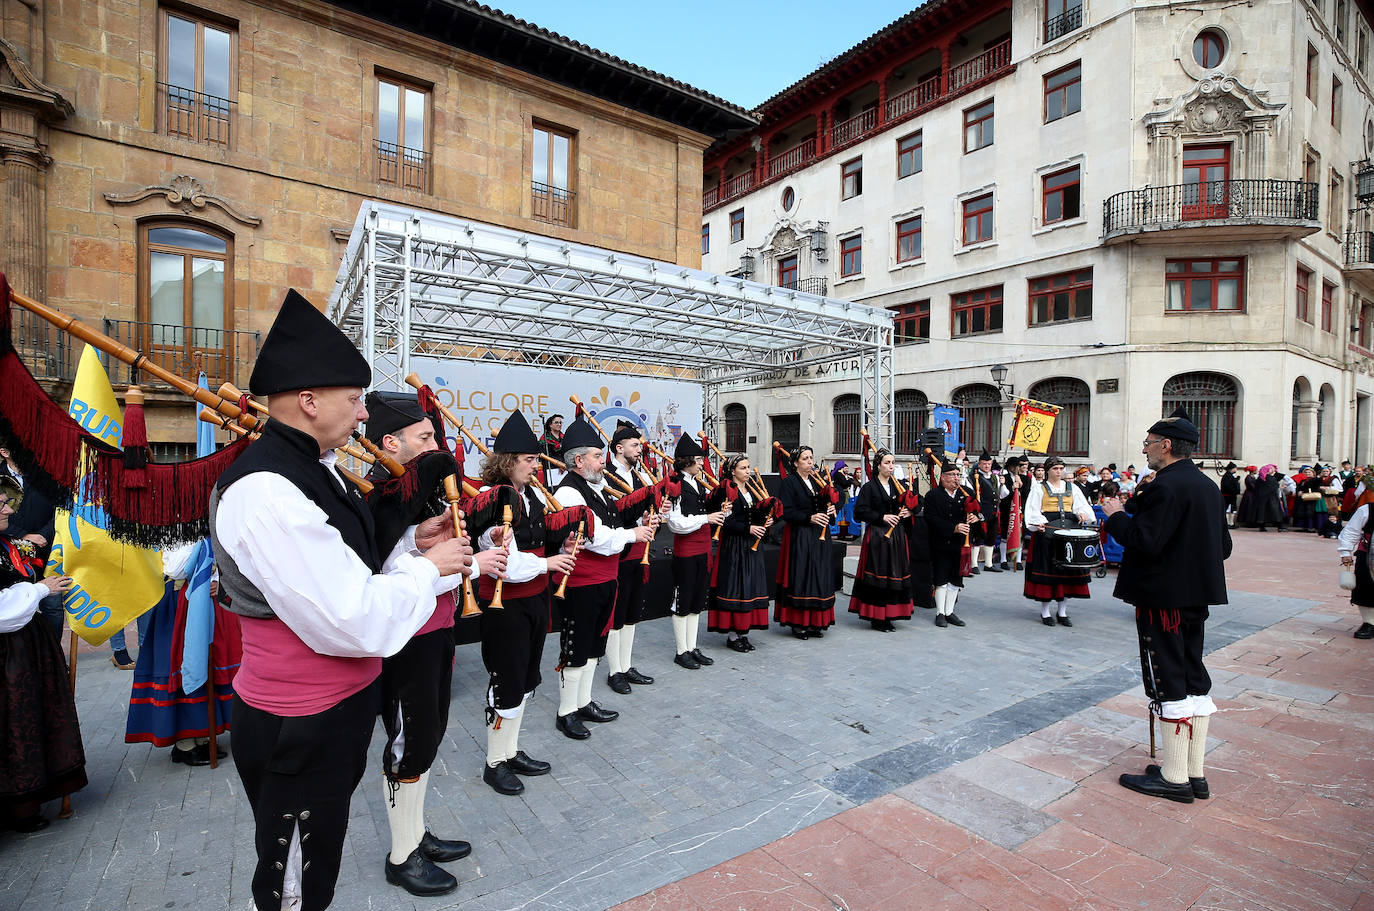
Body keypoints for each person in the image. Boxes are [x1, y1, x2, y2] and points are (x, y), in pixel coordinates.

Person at [209, 290, 473, 910]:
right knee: (293, 879)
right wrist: (427, 570)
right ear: (309, 401)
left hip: (329, 713)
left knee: (317, 862)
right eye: (354, 400)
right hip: (297, 720)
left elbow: (345, 564)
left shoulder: (315, 467)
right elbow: (351, 619)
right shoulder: (265, 490)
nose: (363, 417)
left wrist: (412, 541)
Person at [363, 390, 499, 896]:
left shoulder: (416, 491)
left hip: (435, 629)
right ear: (390, 443)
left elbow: (423, 551)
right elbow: (392, 573)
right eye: (425, 437)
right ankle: (402, 856)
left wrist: (470, 545)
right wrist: (467, 565)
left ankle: (415, 834)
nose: (436, 444)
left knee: (427, 736)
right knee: (407, 741)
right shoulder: (379, 493)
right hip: (406, 638)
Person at [1103, 407, 1230, 804]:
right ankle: (1194, 772)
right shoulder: (1207, 486)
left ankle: (1175, 779)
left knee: (1169, 677)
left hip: (1164, 599)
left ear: (1167, 444)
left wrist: (1116, 516)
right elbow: (1223, 547)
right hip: (1195, 597)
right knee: (1193, 675)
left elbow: (1145, 540)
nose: (1144, 449)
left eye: (1148, 442)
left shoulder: (1167, 486)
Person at [474, 411, 580, 794]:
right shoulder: (490, 501)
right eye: (529, 460)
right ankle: (494, 762)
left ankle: (510, 750)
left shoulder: (530, 495)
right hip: (506, 605)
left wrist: (561, 546)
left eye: (536, 459)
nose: (537, 466)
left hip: (534, 599)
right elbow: (506, 564)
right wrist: (548, 562)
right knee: (506, 679)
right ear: (508, 462)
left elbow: (538, 543)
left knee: (525, 679)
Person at [552, 416, 657, 739]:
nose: (603, 461)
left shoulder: (595, 488)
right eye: (598, 456)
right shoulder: (570, 493)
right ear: (579, 460)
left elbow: (611, 522)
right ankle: (566, 711)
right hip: (582, 581)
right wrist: (633, 534)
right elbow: (595, 537)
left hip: (604, 578)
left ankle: (583, 702)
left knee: (595, 643)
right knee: (577, 645)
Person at [0, 475, 84, 832]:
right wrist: (38, 591)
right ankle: (18, 806)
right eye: (1, 504)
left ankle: (34, 797)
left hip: (26, 645)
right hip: (9, 652)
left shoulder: (7, 543)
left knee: (34, 716)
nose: (8, 507)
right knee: (15, 723)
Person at [124, 539, 239, 767]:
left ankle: (203, 733)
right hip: (181, 605)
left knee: (212, 665)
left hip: (211, 602)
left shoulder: (210, 523)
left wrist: (219, 579)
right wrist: (203, 560)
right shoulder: (174, 530)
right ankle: (185, 743)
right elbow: (175, 568)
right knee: (181, 665)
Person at [602, 422, 657, 694]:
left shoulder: (639, 476)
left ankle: (626, 665)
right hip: (618, 550)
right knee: (618, 611)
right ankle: (614, 671)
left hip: (640, 550)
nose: (640, 449)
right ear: (619, 447)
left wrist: (652, 516)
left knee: (633, 611)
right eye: (635, 445)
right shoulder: (605, 475)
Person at [665, 433, 725, 667]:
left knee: (697, 600)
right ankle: (681, 651)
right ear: (686, 461)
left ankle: (692, 647)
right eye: (699, 460)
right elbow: (675, 523)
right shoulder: (675, 484)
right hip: (686, 551)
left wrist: (721, 510)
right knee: (683, 601)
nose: (702, 463)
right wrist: (706, 518)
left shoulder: (695, 483)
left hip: (702, 549)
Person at [707, 454, 772, 651]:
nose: (748, 471)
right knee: (736, 586)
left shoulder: (750, 489)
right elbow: (724, 521)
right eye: (743, 468)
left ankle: (743, 632)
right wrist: (748, 529)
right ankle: (733, 635)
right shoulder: (725, 491)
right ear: (733, 471)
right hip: (734, 546)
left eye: (748, 467)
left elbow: (753, 515)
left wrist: (765, 522)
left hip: (751, 546)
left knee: (749, 586)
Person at [1023, 456, 1097, 628]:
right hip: (1048, 535)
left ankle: (1062, 611)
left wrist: (1083, 514)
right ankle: (1046, 611)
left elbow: (1082, 506)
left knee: (1067, 574)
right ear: (1048, 470)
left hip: (1069, 535)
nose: (1059, 472)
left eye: (1061, 468)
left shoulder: (1073, 487)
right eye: (1055, 468)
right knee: (1048, 573)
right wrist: (1038, 522)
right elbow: (1032, 509)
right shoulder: (1039, 488)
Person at [774, 445, 837, 639]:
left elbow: (830, 501)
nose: (810, 462)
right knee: (801, 576)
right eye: (805, 458)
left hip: (819, 536)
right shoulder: (789, 483)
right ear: (795, 463)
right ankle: (798, 623)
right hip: (800, 535)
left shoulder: (817, 482)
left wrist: (832, 510)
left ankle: (815, 622)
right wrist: (809, 517)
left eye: (811, 458)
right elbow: (786, 511)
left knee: (818, 575)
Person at [847, 449, 914, 631]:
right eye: (887, 462)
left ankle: (890, 614)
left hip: (896, 536)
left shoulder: (898, 485)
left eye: (892, 462)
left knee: (894, 573)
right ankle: (877, 616)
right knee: (879, 574)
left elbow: (913, 502)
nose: (890, 466)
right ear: (878, 465)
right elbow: (859, 512)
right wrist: (881, 517)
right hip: (878, 535)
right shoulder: (869, 487)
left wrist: (909, 511)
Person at [0, 438, 60, 636]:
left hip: (48, 551)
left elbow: (61, 510)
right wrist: (24, 535)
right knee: (17, 608)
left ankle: (55, 658)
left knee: (53, 607)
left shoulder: (48, 474)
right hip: (9, 556)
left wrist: (44, 534)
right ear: (4, 452)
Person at [923, 460, 971, 628]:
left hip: (959, 545)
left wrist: (976, 517)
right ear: (943, 478)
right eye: (952, 475)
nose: (956, 479)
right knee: (941, 578)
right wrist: (953, 528)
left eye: (958, 475)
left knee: (955, 578)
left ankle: (950, 612)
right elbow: (931, 518)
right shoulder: (933, 496)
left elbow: (983, 509)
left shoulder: (966, 494)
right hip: (940, 543)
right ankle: (940, 613)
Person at [969, 450, 1002, 573]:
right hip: (981, 513)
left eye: (988, 464)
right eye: (984, 464)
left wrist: (1004, 485)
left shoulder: (995, 478)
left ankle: (988, 564)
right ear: (979, 464)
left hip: (994, 512)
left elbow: (1001, 495)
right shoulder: (973, 478)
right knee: (977, 538)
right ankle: (974, 564)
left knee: (991, 538)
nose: (986, 466)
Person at [1251, 465, 1286, 531]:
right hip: (1272, 498)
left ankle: (1262, 527)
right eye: (1271, 469)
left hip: (1261, 499)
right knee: (1276, 513)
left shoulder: (1260, 478)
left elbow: (1256, 488)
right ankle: (1280, 527)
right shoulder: (1271, 478)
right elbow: (1275, 487)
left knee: (1262, 513)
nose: (1273, 470)